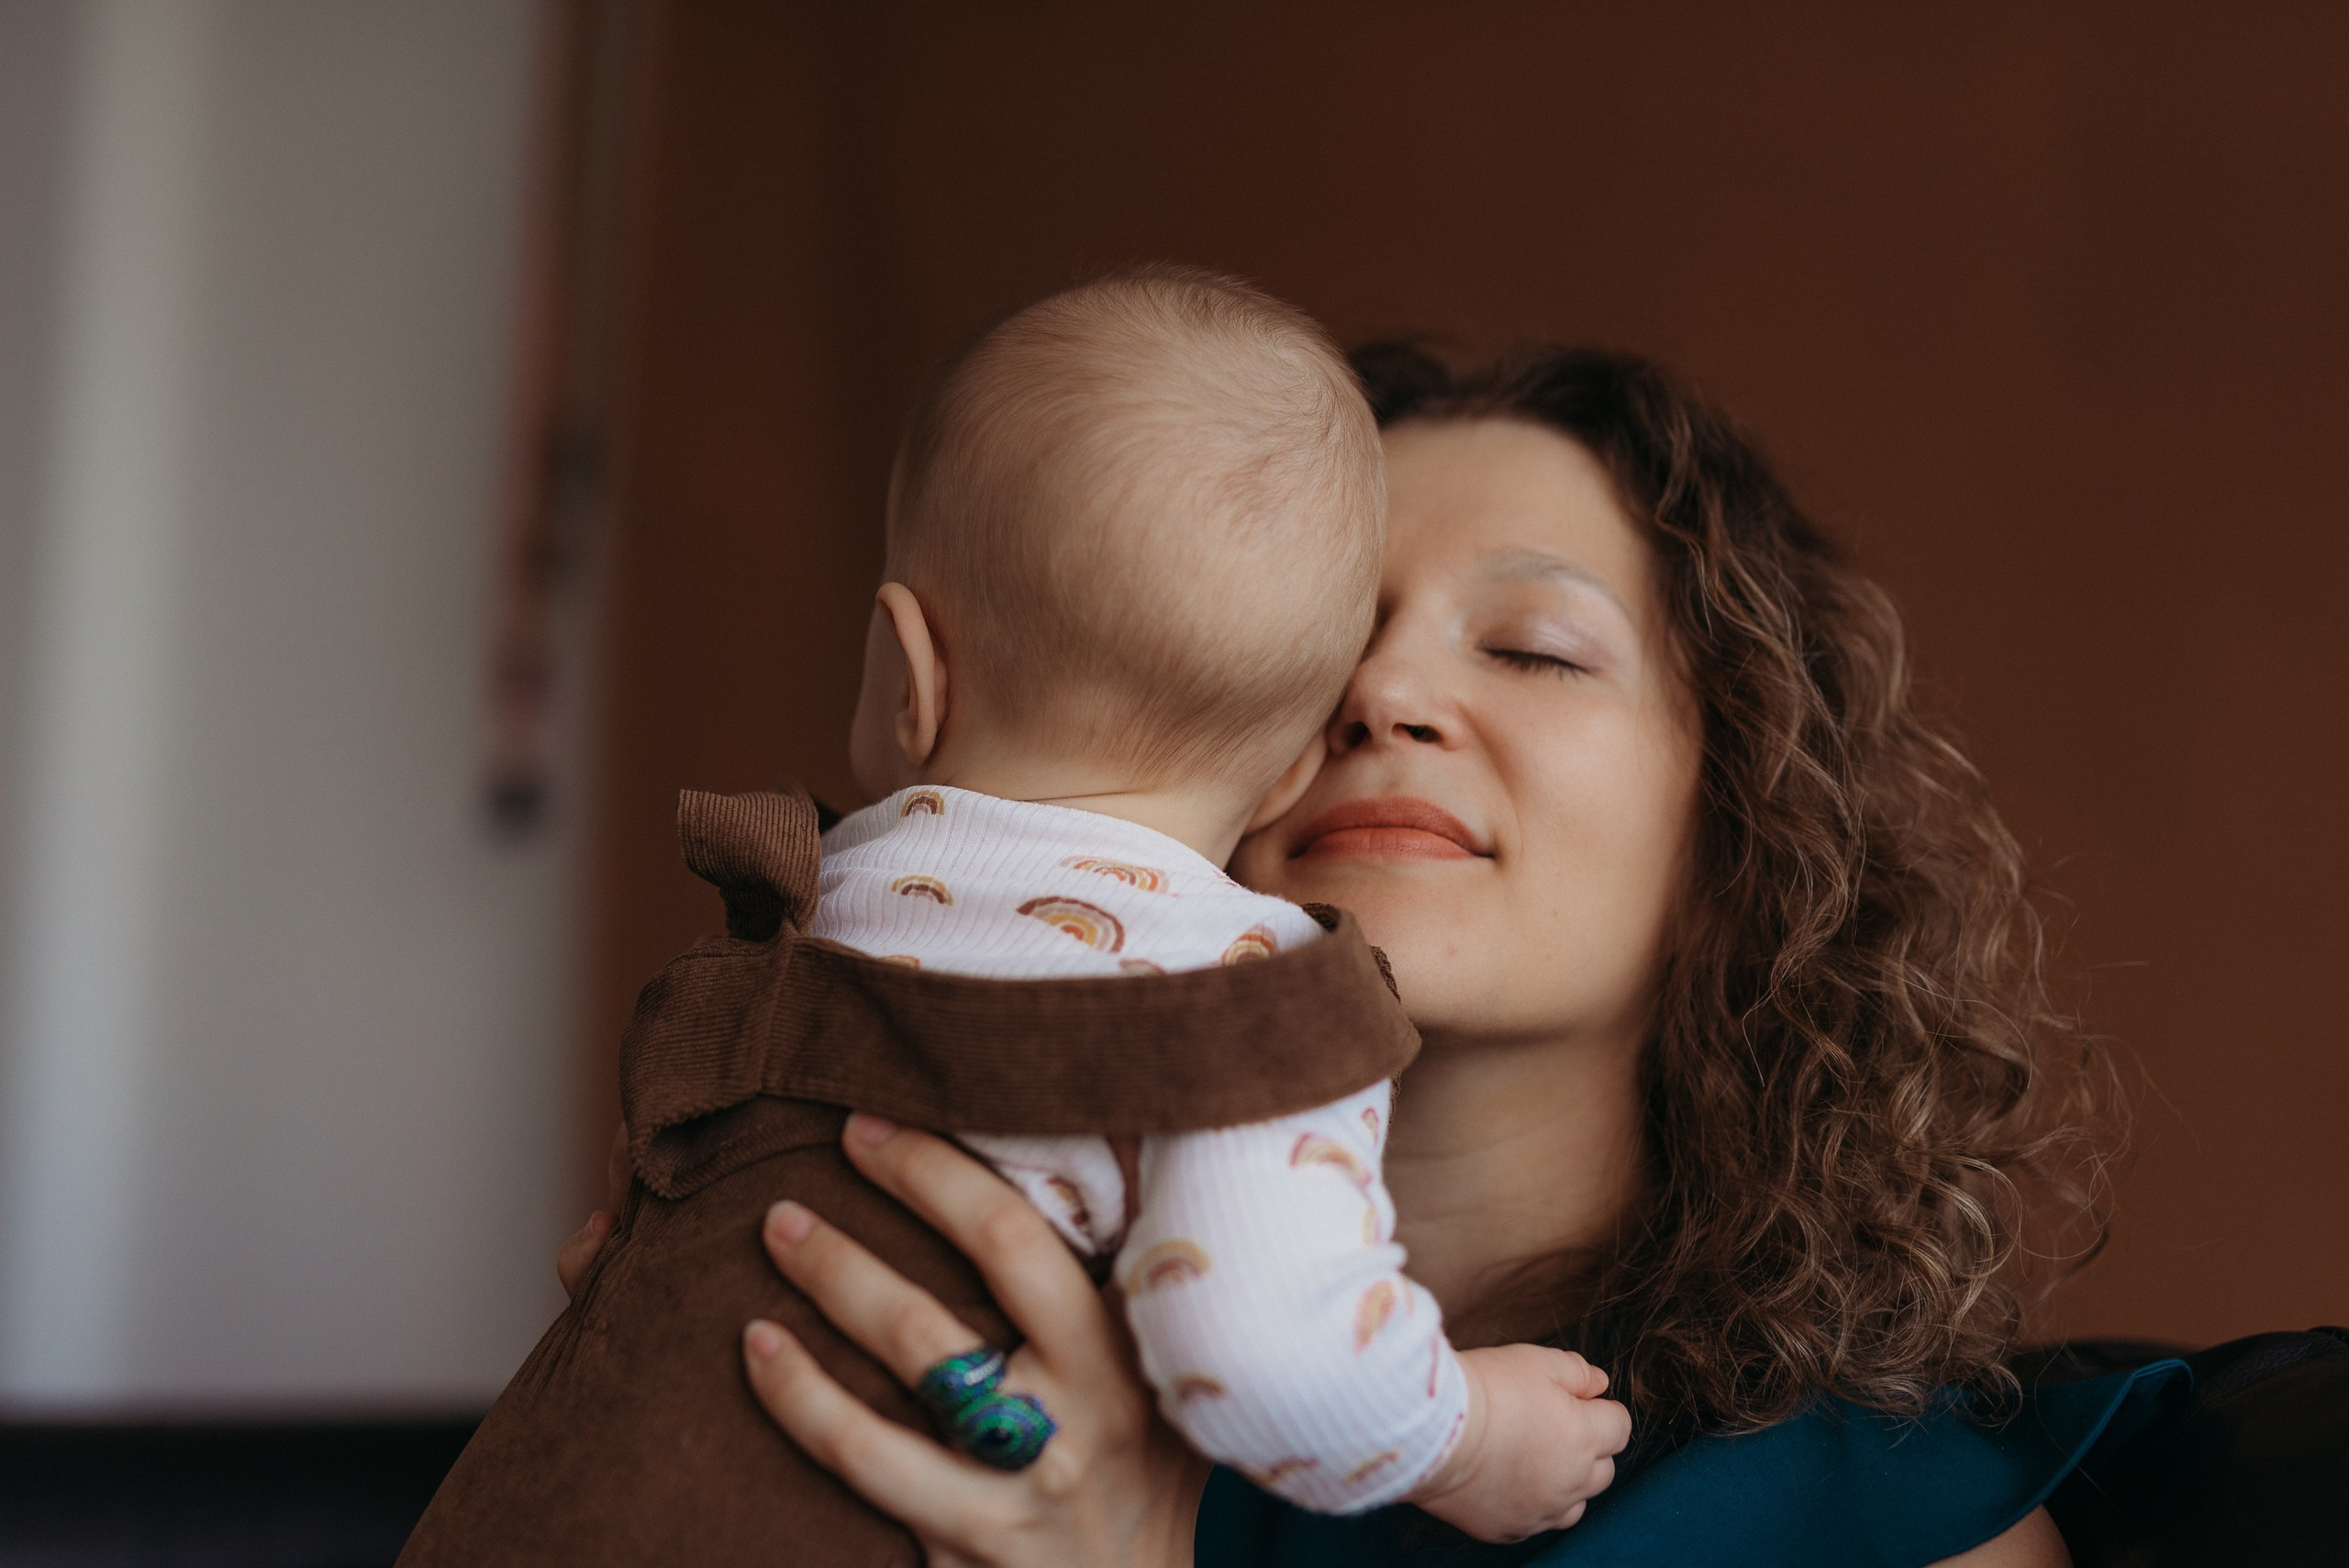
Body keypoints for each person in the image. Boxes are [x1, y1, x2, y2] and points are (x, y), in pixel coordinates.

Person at [558, 340, 2179, 1565]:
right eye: (1321, 645)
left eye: (1534, 647)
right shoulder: (940, 1302)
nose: (1380, 695)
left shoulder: (1889, 1519)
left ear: (1743, 819)